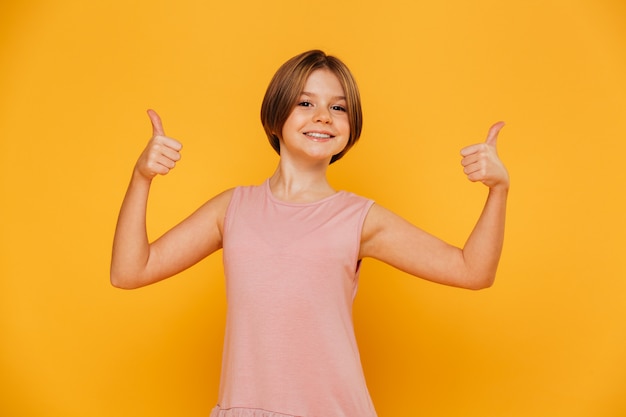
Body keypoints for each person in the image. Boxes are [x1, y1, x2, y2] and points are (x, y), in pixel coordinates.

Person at [111, 50, 509, 417]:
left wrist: (498, 190)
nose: (324, 116)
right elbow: (129, 271)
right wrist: (141, 177)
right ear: (275, 115)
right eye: (306, 103)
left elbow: (472, 271)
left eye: (339, 107)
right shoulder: (231, 209)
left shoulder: (359, 218)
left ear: (350, 128)